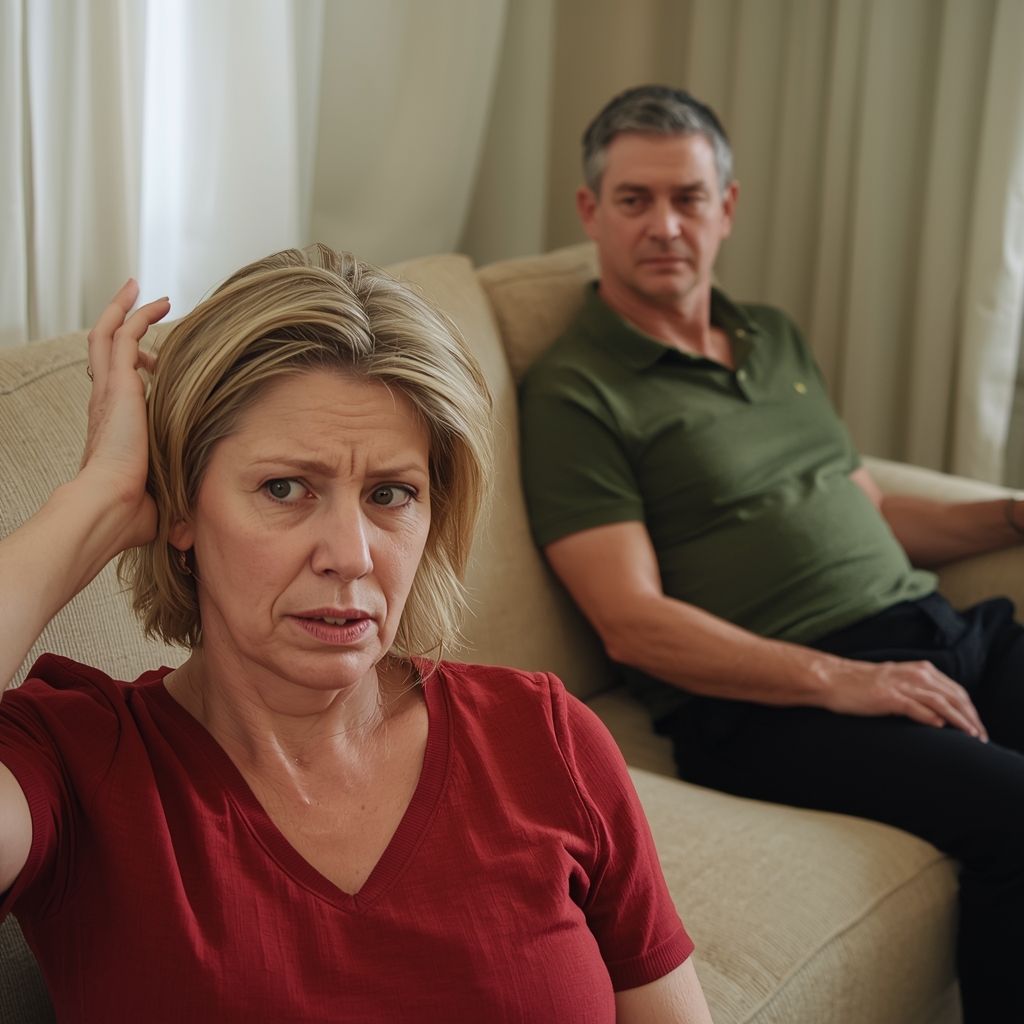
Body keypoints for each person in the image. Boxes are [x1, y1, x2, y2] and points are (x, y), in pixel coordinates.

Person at [0, 245, 713, 1023]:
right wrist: (98, 499)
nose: (351, 554)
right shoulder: (76, 764)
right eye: (285, 487)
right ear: (181, 507)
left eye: (390, 494)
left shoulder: (547, 739)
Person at [519, 85, 1024, 1024]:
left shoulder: (773, 334)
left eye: (688, 197)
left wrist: (1011, 517)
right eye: (634, 199)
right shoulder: (575, 392)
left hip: (937, 634)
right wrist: (843, 680)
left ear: (727, 206)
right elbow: (630, 622)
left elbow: (869, 513)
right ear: (591, 211)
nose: (665, 225)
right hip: (774, 702)